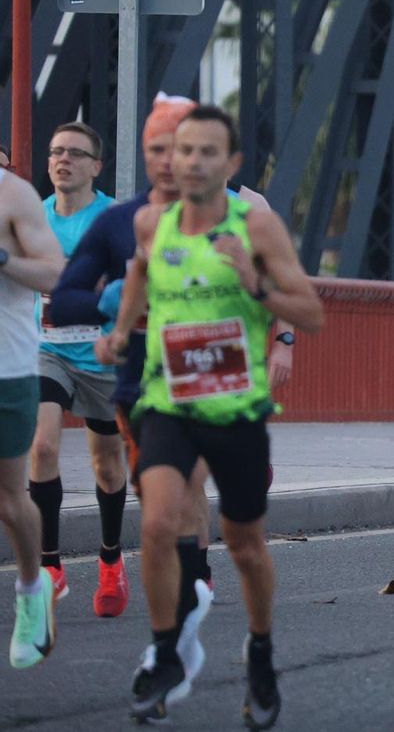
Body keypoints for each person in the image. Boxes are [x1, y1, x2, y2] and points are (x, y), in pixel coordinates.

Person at [99, 105, 326, 725]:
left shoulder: (257, 226)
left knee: (246, 546)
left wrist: (254, 283)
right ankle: (168, 651)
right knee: (158, 524)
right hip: (169, 402)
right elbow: (142, 273)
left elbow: (310, 313)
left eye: (206, 152)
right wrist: (121, 333)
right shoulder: (152, 222)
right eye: (182, 151)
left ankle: (259, 651)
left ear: (230, 165)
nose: (191, 162)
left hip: (237, 409)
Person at [48, 96, 225, 684]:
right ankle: (171, 631)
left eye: (179, 148)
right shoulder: (120, 223)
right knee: (159, 508)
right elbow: (66, 295)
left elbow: (287, 297)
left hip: (206, 371)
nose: (169, 161)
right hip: (139, 381)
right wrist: (113, 300)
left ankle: (189, 596)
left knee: (187, 492)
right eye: (156, 149)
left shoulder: (238, 220)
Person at [23, 123, 126, 617]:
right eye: (55, 152)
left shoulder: (113, 219)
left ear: (95, 166)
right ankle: (51, 567)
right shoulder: (32, 219)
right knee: (42, 445)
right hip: (49, 352)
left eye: (74, 153)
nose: (62, 160)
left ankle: (110, 560)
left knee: (107, 463)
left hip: (103, 356)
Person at [2, 160, 66, 669]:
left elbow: (54, 270)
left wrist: (2, 257)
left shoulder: (14, 194)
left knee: (8, 499)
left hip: (7, 370)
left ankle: (31, 586)